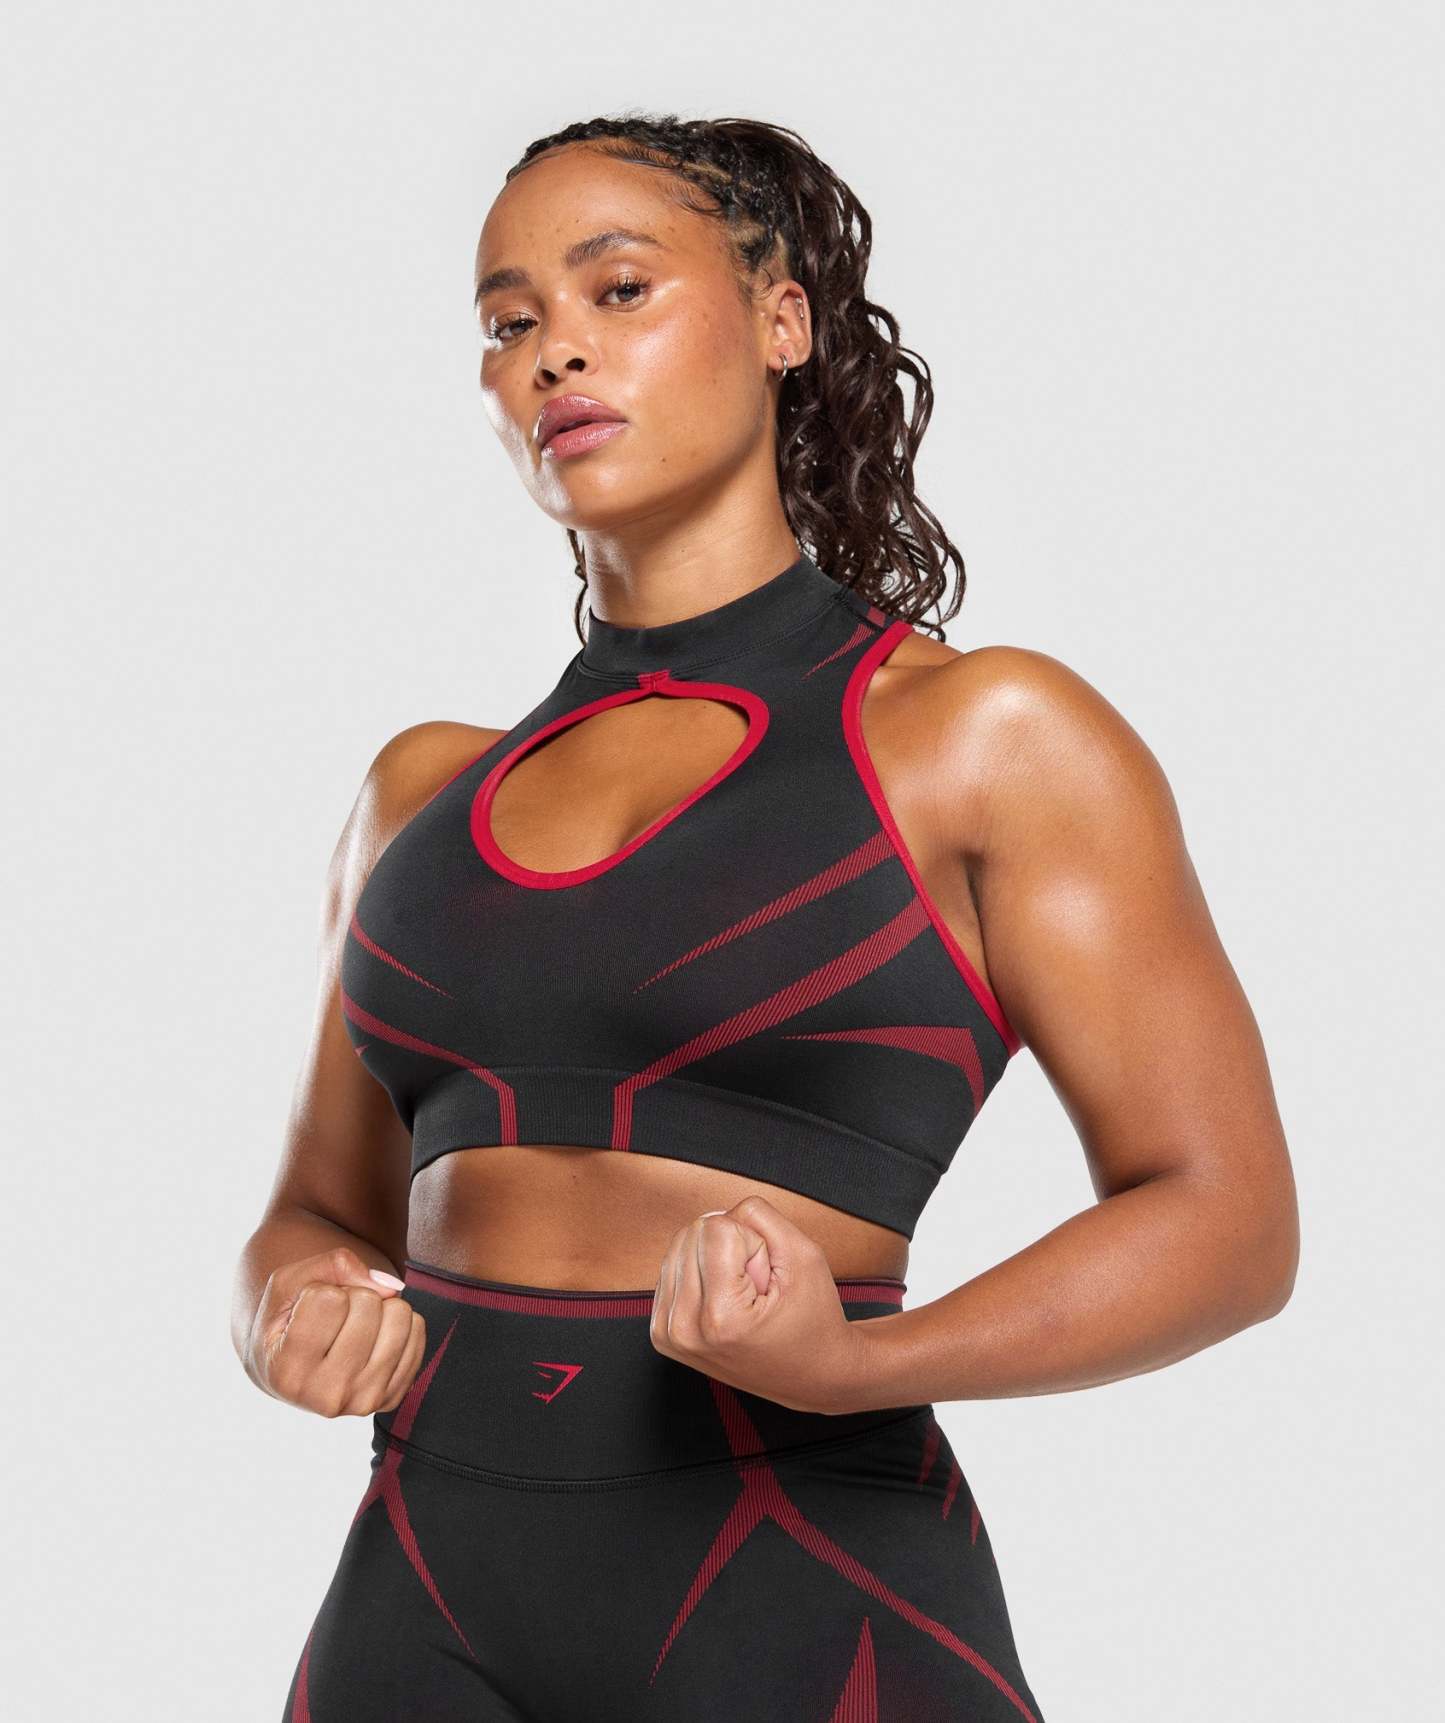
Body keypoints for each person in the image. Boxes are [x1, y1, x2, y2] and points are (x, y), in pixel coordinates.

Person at [232, 113, 1299, 1723]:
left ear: (781, 320)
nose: (553, 352)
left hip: (801, 1583)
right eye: (510, 321)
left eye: (619, 291)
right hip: (419, 1595)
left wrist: (856, 1364)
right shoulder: (417, 793)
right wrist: (289, 1314)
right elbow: (315, 1211)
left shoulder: (980, 739)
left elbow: (1226, 1222)